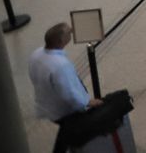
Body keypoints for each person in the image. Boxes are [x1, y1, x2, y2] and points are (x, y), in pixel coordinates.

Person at [29, 21, 101, 151]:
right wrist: (87, 102)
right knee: (66, 136)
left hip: (46, 104)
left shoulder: (37, 54)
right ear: (61, 41)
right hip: (63, 112)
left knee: (63, 137)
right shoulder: (60, 65)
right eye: (69, 33)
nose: (71, 32)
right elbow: (70, 94)